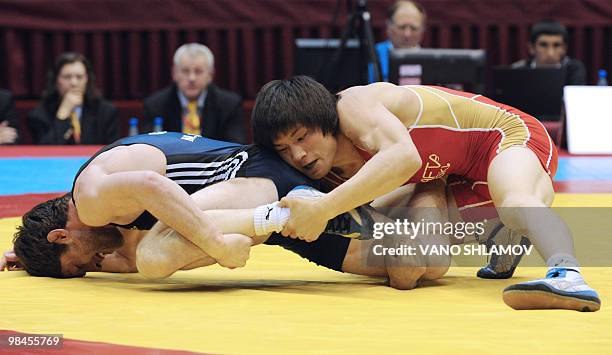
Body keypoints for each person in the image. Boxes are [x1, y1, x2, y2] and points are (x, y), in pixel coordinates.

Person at [250, 76, 601, 312]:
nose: (297, 155)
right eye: (283, 149)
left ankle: (566, 274)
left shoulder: (354, 106)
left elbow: (405, 158)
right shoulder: (333, 171)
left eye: (300, 137)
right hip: (453, 174)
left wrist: (323, 208)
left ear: (321, 119)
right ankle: (502, 237)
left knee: (513, 202)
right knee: (422, 250)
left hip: (503, 135)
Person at [9, 131, 439, 289]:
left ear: (62, 235)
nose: (92, 266)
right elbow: (118, 257)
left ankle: (289, 216)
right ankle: (433, 189)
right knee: (413, 266)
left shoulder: (92, 199)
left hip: (257, 182)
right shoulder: (102, 220)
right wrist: (30, 258)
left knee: (155, 258)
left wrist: (216, 244)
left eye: (77, 266)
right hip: (258, 191)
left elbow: (150, 185)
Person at [143, 43, 247, 144]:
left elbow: (236, 147)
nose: (191, 78)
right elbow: (147, 147)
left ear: (210, 75)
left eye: (198, 71)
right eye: (185, 71)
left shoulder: (229, 105)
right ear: (174, 73)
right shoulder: (155, 105)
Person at [27, 52, 119, 145]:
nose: (74, 83)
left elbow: (113, 152)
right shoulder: (39, 114)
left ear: (87, 79)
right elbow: (43, 153)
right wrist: (63, 114)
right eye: (67, 77)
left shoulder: (106, 112)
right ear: (56, 80)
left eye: (79, 77)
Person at [511, 19, 587, 85]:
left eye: (556, 45)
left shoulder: (573, 70)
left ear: (564, 49)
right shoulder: (518, 70)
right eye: (543, 45)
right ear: (532, 48)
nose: (550, 53)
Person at [369, 0, 426, 82]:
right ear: (389, 27)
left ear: (422, 30)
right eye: (402, 27)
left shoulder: (431, 61)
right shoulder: (373, 55)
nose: (407, 34)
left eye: (414, 28)